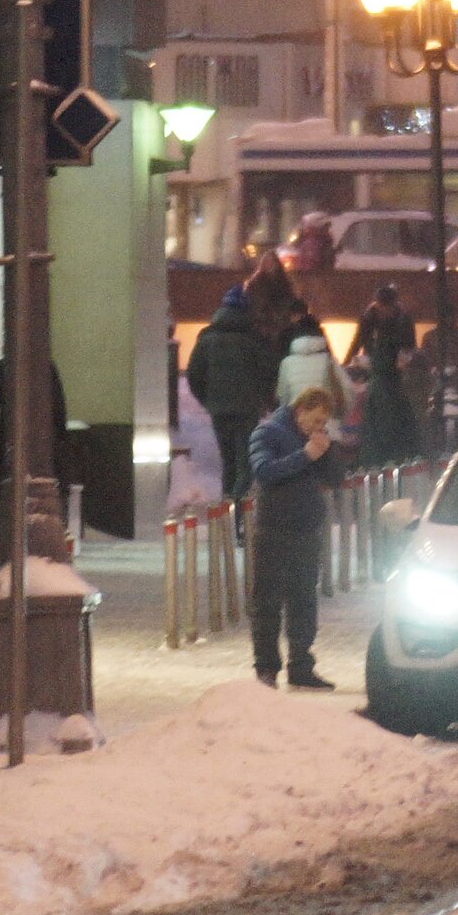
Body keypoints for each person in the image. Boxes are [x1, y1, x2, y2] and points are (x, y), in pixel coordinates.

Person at [246, 387, 341, 689]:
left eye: (324, 422)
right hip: (273, 528)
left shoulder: (316, 437)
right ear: (301, 410)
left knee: (303, 599)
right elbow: (265, 472)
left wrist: (326, 454)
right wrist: (305, 455)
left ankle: (301, 665)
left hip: (306, 528)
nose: (319, 427)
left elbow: (335, 479)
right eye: (316, 420)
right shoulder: (267, 434)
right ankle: (266, 669)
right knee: (267, 601)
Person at [187, 286, 279, 499]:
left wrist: (208, 400)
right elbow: (270, 372)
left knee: (227, 461)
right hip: (247, 410)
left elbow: (194, 375)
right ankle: (240, 510)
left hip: (219, 409)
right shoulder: (255, 339)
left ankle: (226, 507)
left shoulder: (207, 338)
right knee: (245, 462)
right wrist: (263, 399)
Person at [0, 357, 70, 503]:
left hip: (8, 436)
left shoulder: (1, 368)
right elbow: (58, 406)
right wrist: (58, 434)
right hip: (39, 435)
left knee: (1, 484)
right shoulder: (45, 368)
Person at [351, 284, 423, 467]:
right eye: (380, 306)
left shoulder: (403, 318)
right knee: (384, 414)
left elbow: (409, 346)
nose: (383, 310)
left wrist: (403, 361)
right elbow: (359, 339)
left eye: (386, 306)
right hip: (379, 369)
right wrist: (351, 359)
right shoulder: (369, 316)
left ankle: (394, 454)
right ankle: (387, 454)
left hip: (393, 371)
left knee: (391, 413)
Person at [276, 319, 349, 424]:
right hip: (323, 418)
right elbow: (346, 390)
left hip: (297, 420)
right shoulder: (328, 361)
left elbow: (283, 396)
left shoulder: (287, 363)